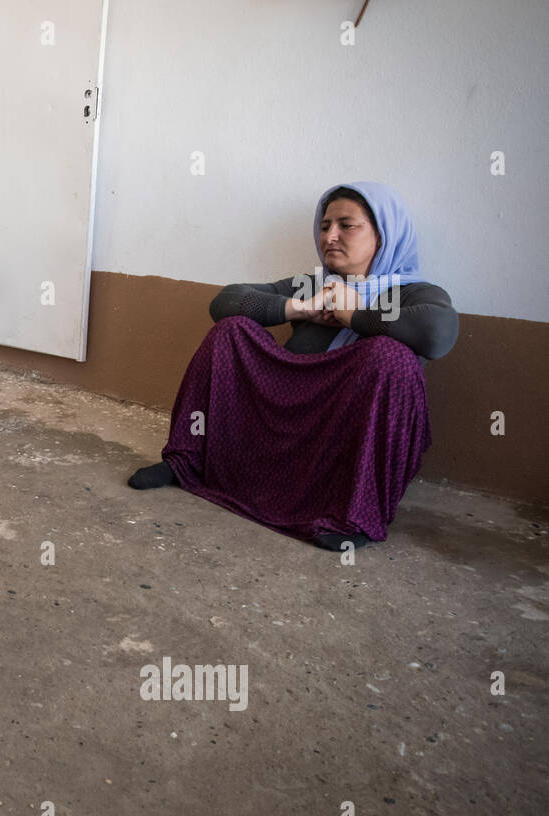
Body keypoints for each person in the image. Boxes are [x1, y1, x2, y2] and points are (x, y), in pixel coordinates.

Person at [128, 181, 459, 550]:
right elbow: (226, 300)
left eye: (346, 225)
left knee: (391, 357)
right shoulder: (312, 284)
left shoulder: (411, 293)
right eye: (324, 226)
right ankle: (188, 461)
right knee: (232, 330)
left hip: (339, 433)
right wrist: (299, 307)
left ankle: (354, 513)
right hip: (280, 416)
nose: (330, 236)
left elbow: (437, 332)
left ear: (384, 234)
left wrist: (355, 315)